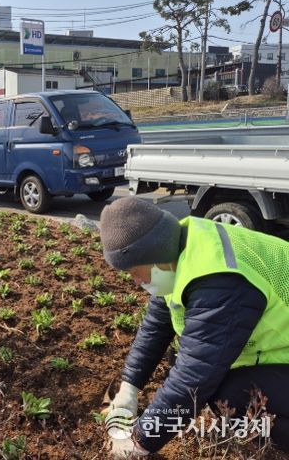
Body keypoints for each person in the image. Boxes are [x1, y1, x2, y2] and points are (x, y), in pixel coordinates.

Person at [98, 196, 289, 457]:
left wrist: (140, 440)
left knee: (231, 394)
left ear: (154, 254)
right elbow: (156, 326)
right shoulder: (180, 250)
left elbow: (194, 377)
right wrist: (129, 388)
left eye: (133, 271)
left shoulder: (220, 280)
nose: (134, 280)